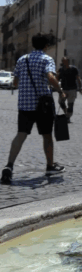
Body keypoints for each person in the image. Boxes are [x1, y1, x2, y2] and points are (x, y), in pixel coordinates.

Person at [2, 33, 66, 184]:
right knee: (47, 136)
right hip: (42, 105)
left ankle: (9, 166)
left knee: (21, 135)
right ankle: (50, 165)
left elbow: (15, 83)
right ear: (46, 46)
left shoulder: (22, 60)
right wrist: (60, 91)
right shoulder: (47, 59)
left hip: (25, 105)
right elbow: (50, 77)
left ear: (32, 44)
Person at [56, 56, 82, 123]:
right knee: (61, 102)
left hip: (72, 89)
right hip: (64, 89)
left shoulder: (74, 69)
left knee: (70, 104)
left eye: (65, 61)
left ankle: (68, 117)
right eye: (63, 61)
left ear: (68, 62)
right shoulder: (61, 70)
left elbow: (78, 78)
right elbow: (57, 79)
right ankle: (66, 112)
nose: (64, 63)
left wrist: (80, 87)